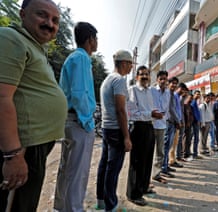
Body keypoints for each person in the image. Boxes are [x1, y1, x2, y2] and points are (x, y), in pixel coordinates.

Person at [0, 0, 67, 211]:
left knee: (26, 204)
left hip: (34, 146)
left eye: (55, 20)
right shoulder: (11, 38)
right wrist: (12, 155)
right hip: (21, 147)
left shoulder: (35, 48)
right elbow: (2, 97)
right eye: (42, 15)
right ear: (22, 14)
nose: (50, 23)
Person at [54, 22, 98, 211]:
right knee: (78, 172)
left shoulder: (74, 58)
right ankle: (73, 209)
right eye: (96, 39)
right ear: (90, 39)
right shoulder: (81, 59)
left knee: (66, 169)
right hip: (79, 121)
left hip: (71, 119)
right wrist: (88, 121)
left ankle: (61, 207)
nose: (97, 43)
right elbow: (80, 93)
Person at [96, 50, 133, 211]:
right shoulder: (119, 80)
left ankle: (101, 200)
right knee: (113, 169)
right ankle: (111, 205)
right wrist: (126, 137)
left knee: (104, 166)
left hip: (106, 128)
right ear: (124, 63)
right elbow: (120, 110)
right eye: (131, 63)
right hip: (116, 130)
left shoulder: (107, 80)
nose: (132, 67)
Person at [126, 65, 163, 206]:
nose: (145, 77)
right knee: (137, 162)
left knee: (147, 160)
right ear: (137, 77)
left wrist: (156, 114)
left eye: (147, 74)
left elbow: (150, 109)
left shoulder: (149, 92)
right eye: (142, 74)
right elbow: (132, 114)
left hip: (149, 126)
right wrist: (151, 114)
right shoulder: (133, 91)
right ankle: (133, 194)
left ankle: (143, 187)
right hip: (138, 128)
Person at [151, 70, 170, 184]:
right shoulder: (151, 90)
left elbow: (166, 109)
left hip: (162, 125)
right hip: (151, 124)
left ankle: (156, 174)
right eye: (161, 79)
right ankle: (145, 177)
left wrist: (165, 119)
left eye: (165, 79)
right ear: (157, 80)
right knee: (148, 152)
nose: (163, 81)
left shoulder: (167, 93)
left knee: (160, 152)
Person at [161, 77, 180, 178]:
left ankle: (166, 165)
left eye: (175, 84)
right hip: (168, 122)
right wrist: (178, 121)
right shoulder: (168, 93)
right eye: (172, 83)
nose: (174, 85)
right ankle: (163, 168)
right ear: (169, 84)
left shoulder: (172, 94)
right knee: (166, 146)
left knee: (169, 146)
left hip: (172, 122)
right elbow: (171, 109)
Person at [191, 90, 202, 159]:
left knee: (196, 138)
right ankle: (195, 154)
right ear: (193, 94)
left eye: (199, 94)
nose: (198, 95)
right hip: (194, 123)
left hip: (197, 122)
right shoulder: (193, 102)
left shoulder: (196, 102)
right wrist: (197, 120)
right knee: (196, 138)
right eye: (197, 94)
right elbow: (194, 113)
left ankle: (195, 153)